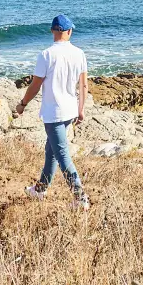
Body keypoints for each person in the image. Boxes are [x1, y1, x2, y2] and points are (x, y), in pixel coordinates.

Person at [15, 14, 90, 210]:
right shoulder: (79, 53)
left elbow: (35, 85)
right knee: (51, 152)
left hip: (53, 113)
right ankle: (40, 189)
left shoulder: (46, 55)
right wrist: (81, 110)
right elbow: (83, 85)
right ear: (69, 31)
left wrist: (23, 104)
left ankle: (80, 197)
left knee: (62, 154)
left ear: (52, 31)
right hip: (69, 111)